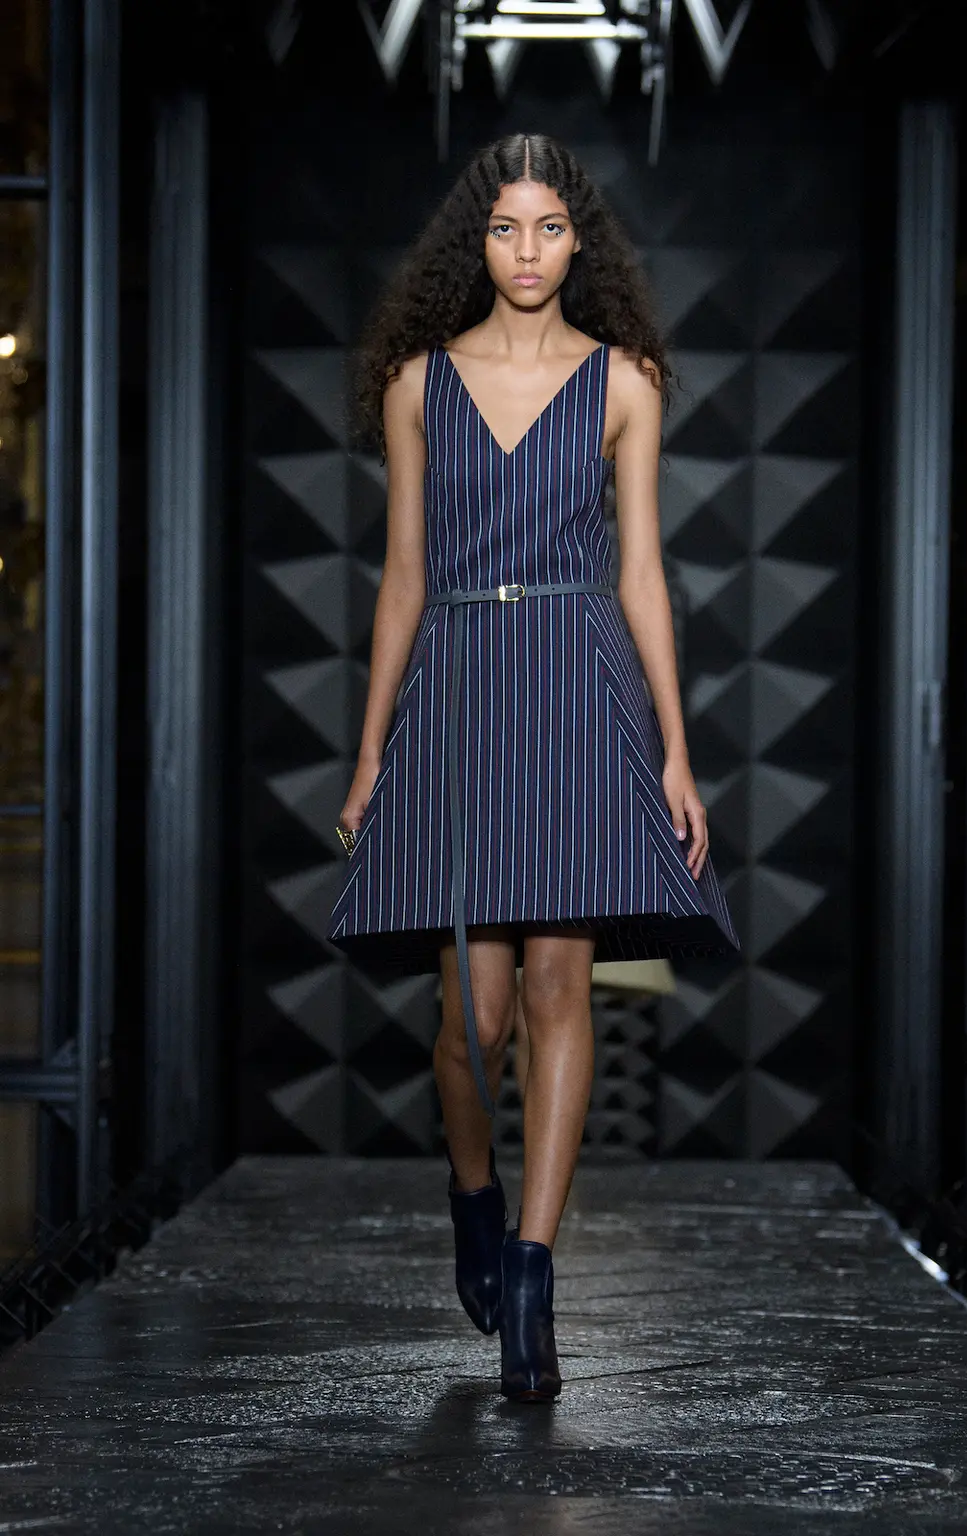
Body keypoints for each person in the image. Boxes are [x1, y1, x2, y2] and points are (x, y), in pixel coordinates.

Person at [328, 132, 739, 1403]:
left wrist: (673, 750)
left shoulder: (625, 381)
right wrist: (370, 752)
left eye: (549, 228)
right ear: (477, 240)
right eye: (505, 228)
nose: (526, 251)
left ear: (579, 242)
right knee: (473, 1021)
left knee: (563, 988)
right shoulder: (417, 383)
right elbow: (402, 575)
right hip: (459, 690)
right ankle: (474, 1197)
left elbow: (641, 573)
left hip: (575, 681)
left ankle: (532, 1275)